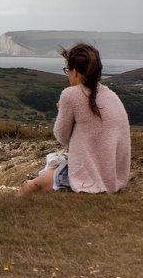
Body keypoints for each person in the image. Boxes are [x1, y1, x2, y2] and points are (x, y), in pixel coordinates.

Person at [19, 44, 130, 195]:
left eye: (67, 71)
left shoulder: (71, 94)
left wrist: (62, 112)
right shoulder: (112, 95)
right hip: (113, 177)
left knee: (29, 188)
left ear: (75, 72)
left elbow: (62, 137)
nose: (68, 75)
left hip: (90, 174)